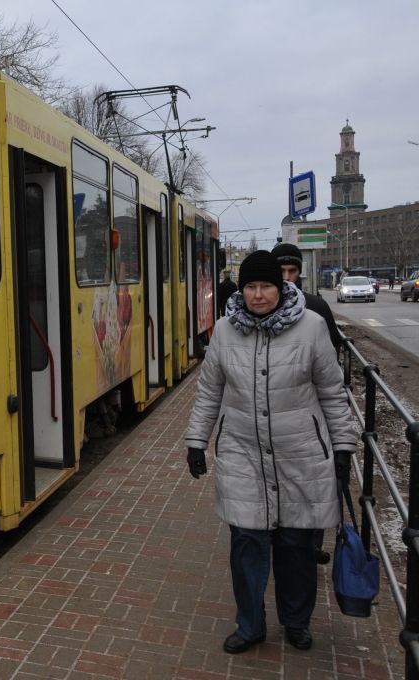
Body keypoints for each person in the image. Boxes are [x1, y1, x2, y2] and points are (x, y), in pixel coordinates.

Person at [184, 250, 356, 655]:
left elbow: (332, 392)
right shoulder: (225, 331)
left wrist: (344, 445)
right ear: (241, 290)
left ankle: (296, 621)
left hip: (301, 454)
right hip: (242, 452)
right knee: (246, 544)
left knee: (296, 547)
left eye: (266, 286)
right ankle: (250, 625)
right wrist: (196, 441)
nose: (258, 295)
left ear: (281, 287)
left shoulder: (312, 327)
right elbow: (209, 391)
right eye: (250, 287)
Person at [272, 242, 342, 565]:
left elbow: (334, 365)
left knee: (314, 481)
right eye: (281, 271)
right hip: (278, 416)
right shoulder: (259, 310)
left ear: (300, 272)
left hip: (312, 413)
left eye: (292, 271)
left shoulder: (317, 308)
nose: (287, 277)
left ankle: (312, 542)